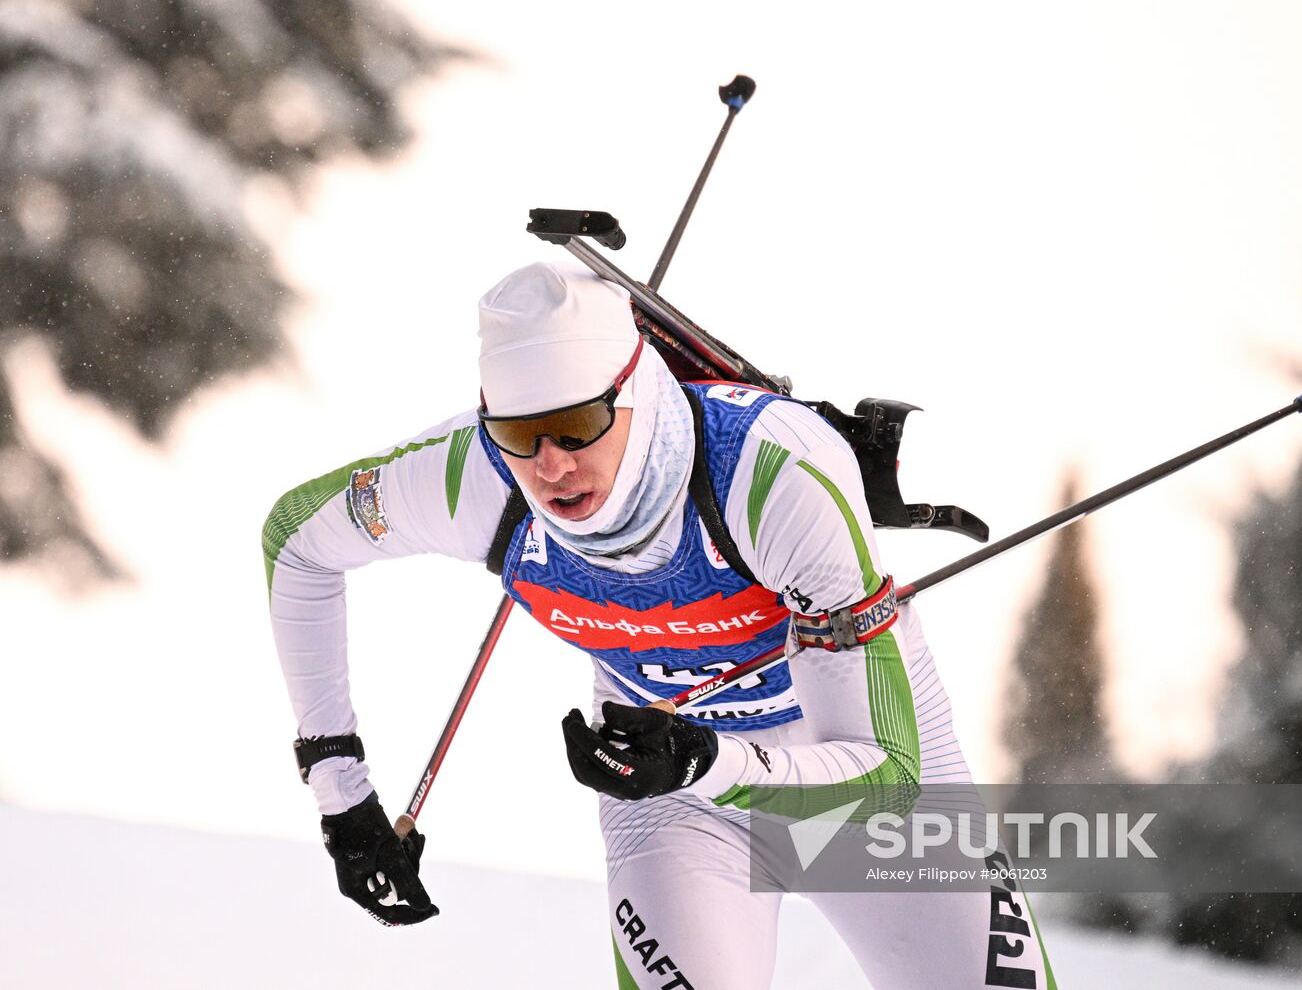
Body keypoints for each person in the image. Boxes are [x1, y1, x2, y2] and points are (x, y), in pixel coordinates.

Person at [264, 262, 1057, 989]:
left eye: (577, 424)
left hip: (850, 779)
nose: (550, 466)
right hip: (676, 802)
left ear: (637, 396)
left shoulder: (773, 476)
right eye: (516, 434)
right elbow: (296, 540)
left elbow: (886, 776)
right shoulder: (467, 479)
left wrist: (704, 759)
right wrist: (342, 797)